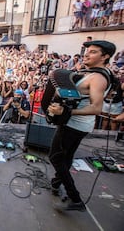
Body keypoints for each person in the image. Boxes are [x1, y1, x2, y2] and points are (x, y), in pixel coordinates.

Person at [47, 40, 116, 212]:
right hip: (79, 126)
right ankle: (56, 183)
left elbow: (96, 108)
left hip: (74, 126)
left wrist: (66, 112)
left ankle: (75, 198)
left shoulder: (98, 78)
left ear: (105, 56)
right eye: (86, 51)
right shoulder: (92, 72)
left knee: (55, 157)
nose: (86, 54)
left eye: (93, 52)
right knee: (67, 156)